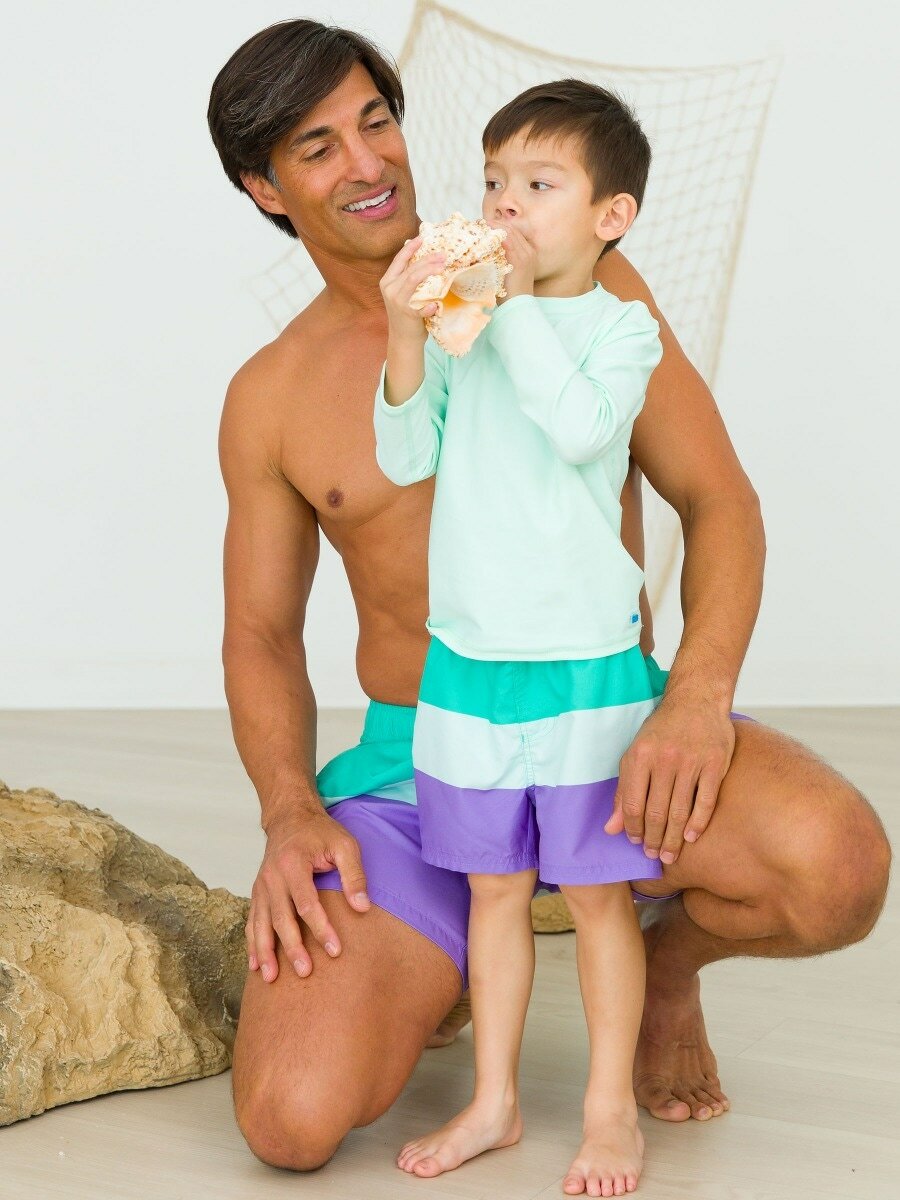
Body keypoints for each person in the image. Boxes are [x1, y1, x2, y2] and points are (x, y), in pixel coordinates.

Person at [206, 18, 891, 1182]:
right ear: (263, 187)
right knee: (291, 1117)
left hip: (603, 723)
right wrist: (286, 812)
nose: (368, 163)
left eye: (376, 121)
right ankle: (451, 962)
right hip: (423, 756)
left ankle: (660, 964)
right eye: (317, 148)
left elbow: (719, 500)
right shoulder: (270, 395)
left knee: (837, 869)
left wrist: (697, 700)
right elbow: (261, 634)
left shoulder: (580, 275)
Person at [373, 79, 670, 1192]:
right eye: (494, 181)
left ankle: (608, 1112)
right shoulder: (469, 324)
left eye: (539, 185)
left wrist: (503, 312)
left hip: (589, 664)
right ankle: (493, 1102)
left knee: (596, 896)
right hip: (468, 665)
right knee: (494, 889)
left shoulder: (623, 329)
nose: (504, 204)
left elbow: (584, 428)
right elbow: (408, 455)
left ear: (611, 216)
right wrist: (409, 328)